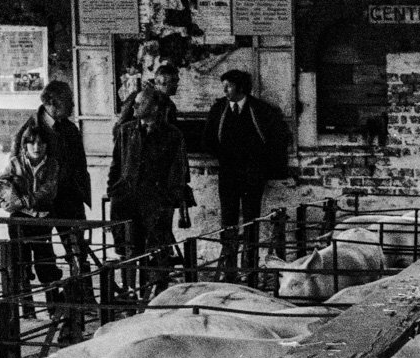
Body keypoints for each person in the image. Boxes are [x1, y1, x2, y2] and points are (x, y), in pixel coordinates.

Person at [107, 89, 194, 298]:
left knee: (158, 250)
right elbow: (116, 165)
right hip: (127, 200)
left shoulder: (172, 134)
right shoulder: (126, 131)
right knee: (128, 249)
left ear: (154, 108)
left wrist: (167, 199)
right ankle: (130, 293)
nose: (135, 106)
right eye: (135, 102)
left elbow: (178, 171)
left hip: (156, 203)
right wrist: (113, 190)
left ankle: (158, 295)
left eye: (140, 103)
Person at [204, 69, 291, 278]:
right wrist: (223, 156)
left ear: (241, 87)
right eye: (224, 86)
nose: (225, 91)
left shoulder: (260, 110)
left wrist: (261, 164)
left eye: (229, 86)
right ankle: (230, 269)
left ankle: (250, 268)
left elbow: (277, 139)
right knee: (228, 222)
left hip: (253, 175)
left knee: (252, 221)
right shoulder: (219, 110)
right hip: (228, 175)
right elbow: (208, 139)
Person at [17, 81, 93, 306]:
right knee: (44, 255)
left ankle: (85, 299)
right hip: (42, 204)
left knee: (78, 250)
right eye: (68, 101)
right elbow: (18, 169)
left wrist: (80, 193)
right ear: (51, 102)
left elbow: (80, 165)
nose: (72, 105)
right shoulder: (28, 131)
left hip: (69, 200)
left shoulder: (70, 129)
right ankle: (53, 304)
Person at [0, 123, 63, 311]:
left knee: (46, 262)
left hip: (42, 218)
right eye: (32, 143)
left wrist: (24, 201)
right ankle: (27, 310)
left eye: (41, 143)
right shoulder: (14, 163)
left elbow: (48, 190)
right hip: (19, 220)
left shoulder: (52, 165)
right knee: (20, 263)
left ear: (47, 145)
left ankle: (53, 308)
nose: (36, 147)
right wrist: (3, 201)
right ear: (25, 145)